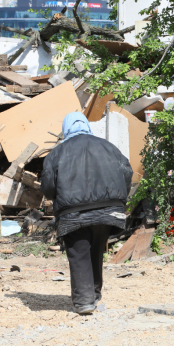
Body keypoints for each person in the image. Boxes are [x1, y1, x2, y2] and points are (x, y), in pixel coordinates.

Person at [41, 112, 133, 315]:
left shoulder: (57, 153)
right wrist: (118, 198)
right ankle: (94, 294)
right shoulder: (109, 147)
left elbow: (48, 188)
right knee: (96, 251)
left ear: (66, 129)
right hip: (108, 210)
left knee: (79, 253)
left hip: (73, 213)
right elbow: (127, 174)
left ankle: (84, 301)